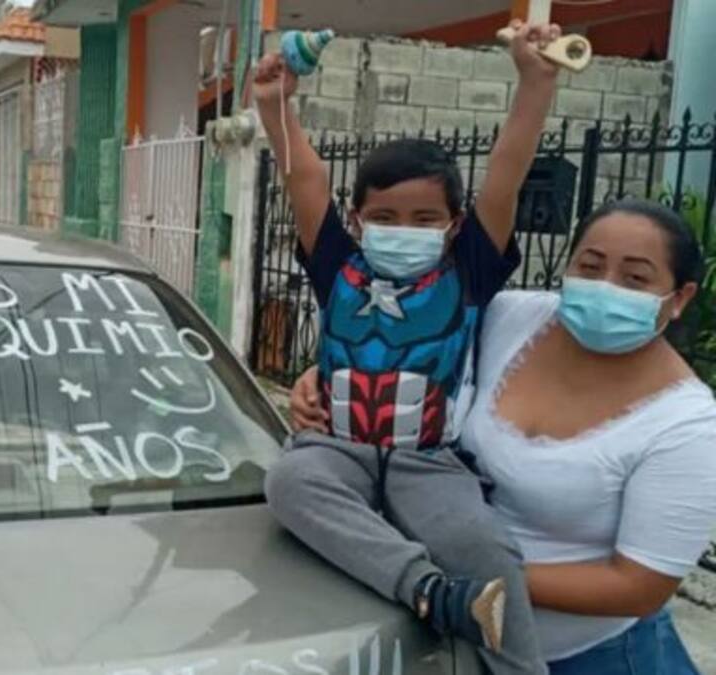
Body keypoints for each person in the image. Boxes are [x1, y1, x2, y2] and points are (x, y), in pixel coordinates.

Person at [288, 199, 716, 673]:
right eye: (590, 266)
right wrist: (322, 376)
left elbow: (639, 585)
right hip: (453, 638)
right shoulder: (513, 318)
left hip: (596, 658)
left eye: (635, 278)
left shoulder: (685, 425)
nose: (605, 287)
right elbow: (410, 352)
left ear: (680, 297)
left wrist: (471, 582)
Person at [255, 20, 562, 675]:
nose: (405, 229)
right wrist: (275, 104)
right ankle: (429, 591)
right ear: (358, 218)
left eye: (425, 219)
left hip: (429, 457)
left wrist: (535, 85)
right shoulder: (337, 263)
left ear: (453, 223)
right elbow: (304, 178)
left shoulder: (468, 269)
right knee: (289, 483)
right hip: (335, 445)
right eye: (386, 217)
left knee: (485, 545)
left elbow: (507, 170)